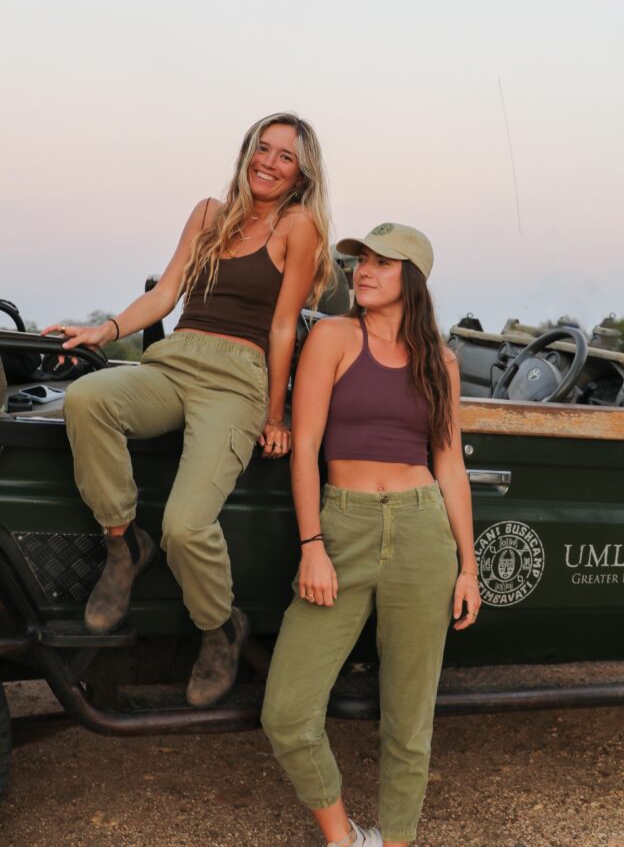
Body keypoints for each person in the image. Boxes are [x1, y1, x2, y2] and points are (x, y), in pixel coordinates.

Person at [41, 112, 332, 708]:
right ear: (247, 151)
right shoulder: (207, 214)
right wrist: (107, 330)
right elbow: (167, 292)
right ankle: (123, 544)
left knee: (185, 525)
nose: (269, 163)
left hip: (238, 379)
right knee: (88, 398)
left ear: (302, 174)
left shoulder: (297, 226)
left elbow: (282, 327)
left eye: (286, 157)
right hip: (177, 360)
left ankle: (220, 628)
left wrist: (275, 415)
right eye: (264, 149)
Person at [261, 223, 481, 847]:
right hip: (344, 526)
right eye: (360, 260)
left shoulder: (440, 361)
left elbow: (449, 464)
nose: (363, 271)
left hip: (421, 531)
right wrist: (312, 546)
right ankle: (345, 838)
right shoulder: (332, 336)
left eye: (382, 263)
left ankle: (398, 841)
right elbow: (304, 447)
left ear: (412, 278)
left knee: (409, 720)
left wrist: (468, 567)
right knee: (286, 711)